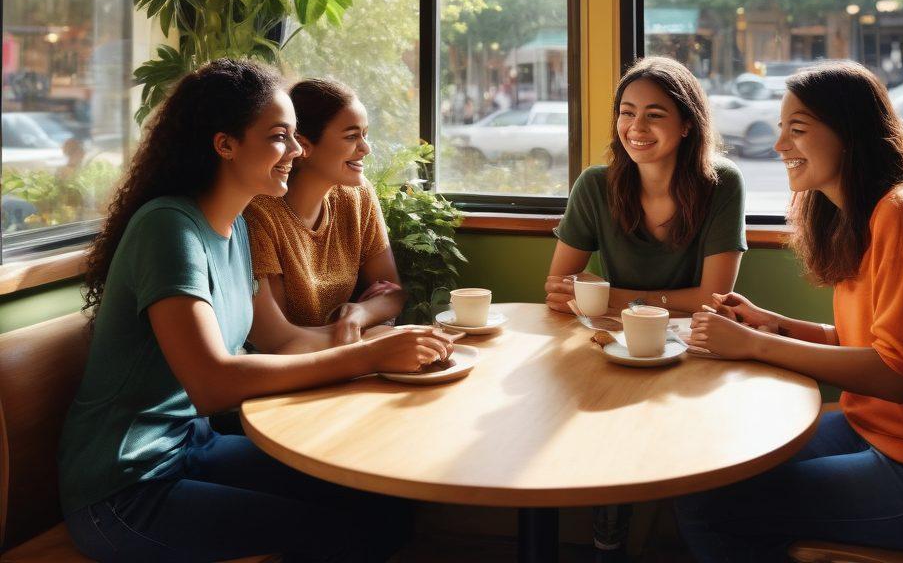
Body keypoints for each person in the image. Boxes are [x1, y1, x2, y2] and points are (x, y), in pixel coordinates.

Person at [59, 58, 454, 563]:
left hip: (191, 446)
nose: (295, 150)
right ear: (225, 144)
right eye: (279, 137)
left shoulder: (234, 227)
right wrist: (369, 358)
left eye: (294, 136)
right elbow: (213, 383)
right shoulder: (167, 229)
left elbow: (280, 343)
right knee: (345, 533)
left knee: (384, 499)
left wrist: (378, 339)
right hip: (126, 489)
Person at [677, 60, 903, 562]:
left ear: (850, 133)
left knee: (712, 502)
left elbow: (895, 374)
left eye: (798, 129)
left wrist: (754, 344)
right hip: (879, 433)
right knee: (714, 465)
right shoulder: (864, 216)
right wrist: (772, 323)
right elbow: (870, 344)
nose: (779, 145)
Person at [544, 55, 747, 562]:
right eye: (627, 112)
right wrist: (583, 296)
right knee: (590, 411)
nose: (636, 127)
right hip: (614, 343)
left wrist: (614, 296)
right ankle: (608, 537)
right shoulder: (596, 184)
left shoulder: (721, 183)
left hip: (695, 347)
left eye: (655, 114)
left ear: (685, 124)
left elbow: (714, 300)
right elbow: (556, 284)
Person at [244, 78, 406, 351]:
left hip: (343, 352)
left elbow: (393, 292)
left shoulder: (358, 195)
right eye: (352, 136)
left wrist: (359, 314)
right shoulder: (260, 213)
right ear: (304, 146)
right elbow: (278, 340)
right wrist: (364, 339)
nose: (366, 148)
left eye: (365, 134)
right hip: (290, 369)